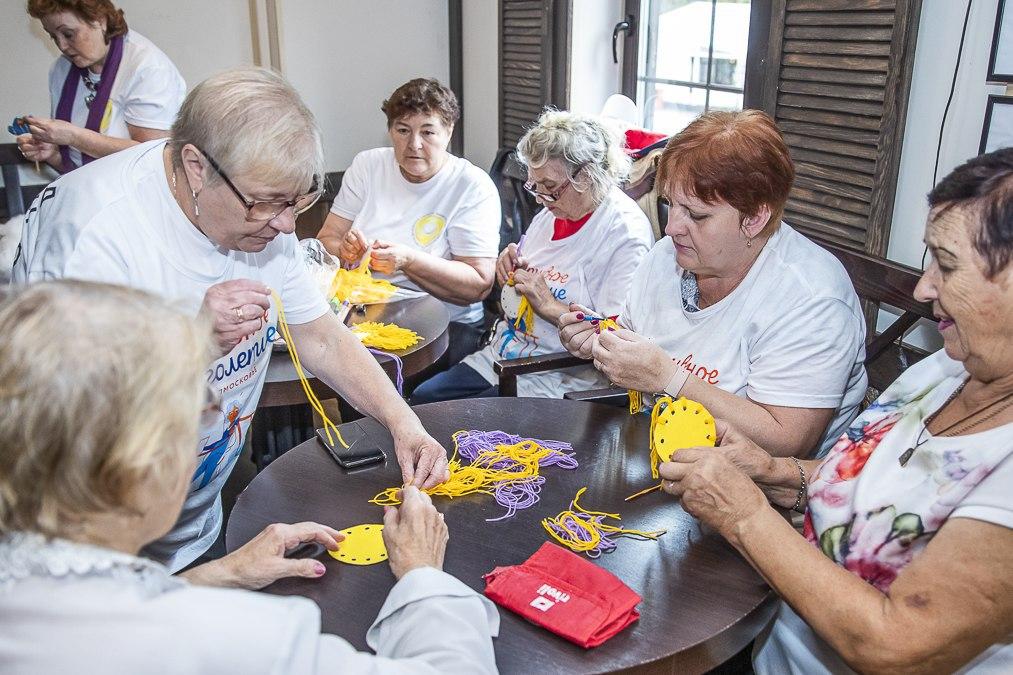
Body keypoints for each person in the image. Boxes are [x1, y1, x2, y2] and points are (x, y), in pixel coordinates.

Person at [11, 67, 449, 572]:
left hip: (196, 514)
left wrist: (403, 424)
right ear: (196, 166)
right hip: (96, 547)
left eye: (296, 201)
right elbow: (64, 420)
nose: (286, 225)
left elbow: (321, 339)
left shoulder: (260, 205)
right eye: (265, 204)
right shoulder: (91, 234)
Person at [0, 280, 499, 673]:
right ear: (140, 462)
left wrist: (221, 573)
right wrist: (423, 577)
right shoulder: (244, 643)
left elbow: (97, 630)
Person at [659, 149, 1013, 673]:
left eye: (949, 264)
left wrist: (744, 515)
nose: (924, 287)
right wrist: (772, 470)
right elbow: (874, 484)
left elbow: (895, 646)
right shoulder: (945, 370)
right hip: (768, 646)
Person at [558, 110, 867, 458]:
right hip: (655, 447)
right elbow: (633, 341)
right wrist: (601, 341)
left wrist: (668, 377)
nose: (672, 226)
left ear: (754, 219)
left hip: (755, 490)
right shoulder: (666, 257)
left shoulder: (812, 299)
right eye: (669, 204)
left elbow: (787, 441)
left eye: (697, 214)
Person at [412, 109, 654, 402]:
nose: (540, 198)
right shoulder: (553, 211)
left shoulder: (624, 234)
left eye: (550, 188)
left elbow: (615, 340)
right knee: (425, 398)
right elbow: (521, 290)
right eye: (534, 186)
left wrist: (549, 305)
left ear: (587, 176)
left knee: (456, 422)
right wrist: (510, 269)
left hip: (557, 376)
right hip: (505, 354)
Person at [317, 78, 500, 366]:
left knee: (370, 377)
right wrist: (344, 250)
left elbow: (478, 284)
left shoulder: (471, 186)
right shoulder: (368, 166)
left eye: (428, 132)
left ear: (448, 132)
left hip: (443, 325)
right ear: (390, 131)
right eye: (403, 130)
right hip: (367, 312)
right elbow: (326, 241)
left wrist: (409, 261)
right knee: (328, 365)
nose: (414, 144)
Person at [17, 0, 185, 173]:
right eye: (53, 36)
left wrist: (74, 137)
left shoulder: (146, 68)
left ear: (100, 20)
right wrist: (53, 155)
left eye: (68, 34)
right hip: (86, 193)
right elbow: (76, 172)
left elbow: (152, 156)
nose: (62, 46)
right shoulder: (61, 69)